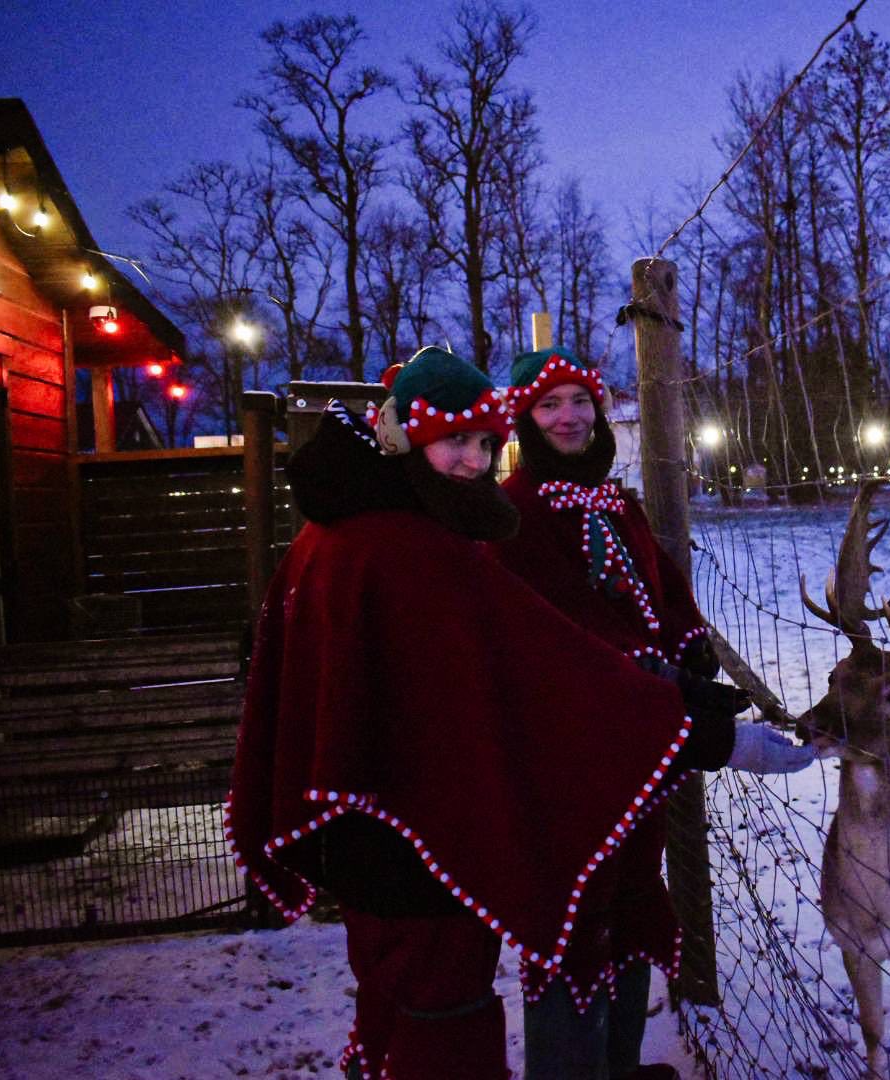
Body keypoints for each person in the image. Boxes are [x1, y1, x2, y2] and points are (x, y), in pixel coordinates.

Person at [226, 347, 755, 1080]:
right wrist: (690, 724)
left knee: (401, 996)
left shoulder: (361, 526)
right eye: (455, 440)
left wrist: (677, 675)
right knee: (442, 1008)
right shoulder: (403, 547)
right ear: (404, 436)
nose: (474, 459)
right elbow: (534, 658)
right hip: (408, 825)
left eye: (483, 440)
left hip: (380, 810)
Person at [495, 346, 814, 1080]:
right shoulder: (516, 518)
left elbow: (664, 594)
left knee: (635, 902)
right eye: (550, 405)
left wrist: (692, 650)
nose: (570, 417)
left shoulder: (618, 504)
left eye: (581, 401)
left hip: (638, 756)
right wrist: (672, 689)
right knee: (572, 922)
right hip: (570, 767)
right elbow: (564, 644)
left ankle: (619, 1064)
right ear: (525, 417)